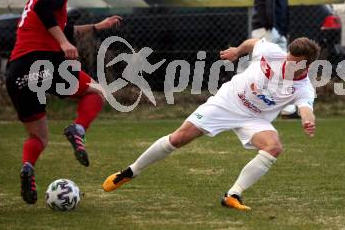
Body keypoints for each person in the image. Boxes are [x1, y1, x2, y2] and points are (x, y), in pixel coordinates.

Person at [102, 37, 320, 210]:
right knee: (179, 138)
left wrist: (308, 121)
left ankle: (233, 194)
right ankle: (131, 171)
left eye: (292, 62)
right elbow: (253, 43)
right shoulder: (272, 52)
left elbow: (306, 109)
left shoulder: (303, 88)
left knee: (273, 147)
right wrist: (237, 51)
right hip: (227, 102)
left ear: (306, 65)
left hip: (255, 119)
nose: (286, 63)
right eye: (288, 58)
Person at [6, 0, 122, 204]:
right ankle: (77, 129)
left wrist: (97, 26)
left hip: (17, 73)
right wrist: (63, 44)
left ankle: (28, 168)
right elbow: (47, 14)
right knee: (97, 92)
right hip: (43, 64)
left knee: (38, 137)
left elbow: (63, 27)